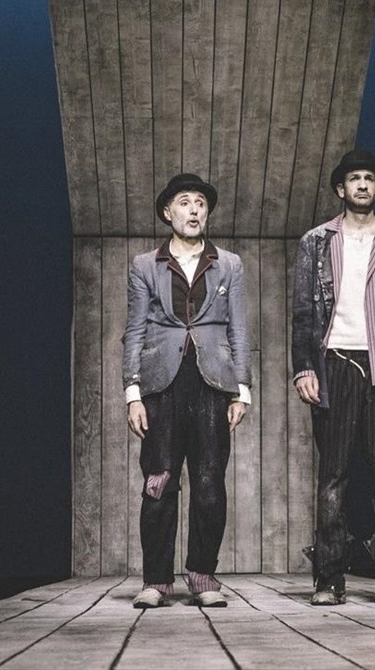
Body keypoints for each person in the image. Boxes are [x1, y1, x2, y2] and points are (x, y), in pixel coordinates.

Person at [292, 149, 375, 605]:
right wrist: (304, 367)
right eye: (354, 178)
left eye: (369, 178)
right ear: (340, 188)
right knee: (333, 477)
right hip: (333, 363)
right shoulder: (315, 241)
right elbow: (303, 312)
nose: (363, 185)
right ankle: (329, 578)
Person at [123, 173, 251, 609]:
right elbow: (134, 330)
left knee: (210, 483)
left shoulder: (229, 263)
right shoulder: (145, 265)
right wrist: (132, 393)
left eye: (200, 202)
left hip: (212, 383)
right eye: (184, 202)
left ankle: (202, 575)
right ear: (167, 212)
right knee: (159, 482)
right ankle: (157, 580)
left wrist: (242, 390)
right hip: (161, 384)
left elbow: (238, 329)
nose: (194, 209)